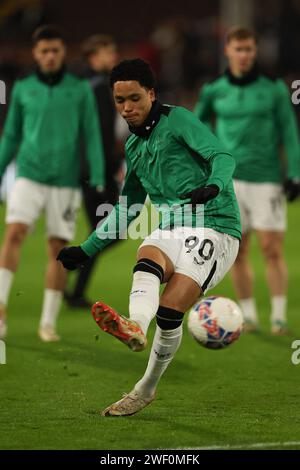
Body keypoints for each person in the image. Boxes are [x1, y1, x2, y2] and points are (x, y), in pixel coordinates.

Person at [57, 58, 241, 416]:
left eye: (135, 99)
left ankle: (146, 388)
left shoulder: (178, 120)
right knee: (148, 250)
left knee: (171, 311)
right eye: (119, 101)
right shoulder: (133, 148)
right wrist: (87, 248)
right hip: (173, 226)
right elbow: (127, 209)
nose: (127, 108)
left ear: (152, 94)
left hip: (215, 225)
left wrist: (214, 185)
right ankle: (135, 326)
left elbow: (222, 155)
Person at [0, 25, 105, 342]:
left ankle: (47, 322)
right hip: (29, 177)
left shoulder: (79, 88)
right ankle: (1, 309)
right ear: (35, 53)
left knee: (57, 250)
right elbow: (11, 134)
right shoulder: (23, 87)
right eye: (44, 51)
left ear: (63, 52)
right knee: (14, 233)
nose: (50, 56)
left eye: (55, 50)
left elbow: (92, 133)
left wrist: (98, 174)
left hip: (65, 181)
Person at [194, 27, 300, 335]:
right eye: (238, 49)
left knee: (271, 248)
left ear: (255, 52)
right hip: (229, 181)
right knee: (237, 249)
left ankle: (279, 315)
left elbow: (289, 133)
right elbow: (196, 127)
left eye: (249, 49)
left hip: (266, 178)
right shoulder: (213, 89)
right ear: (227, 51)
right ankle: (249, 315)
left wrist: (295, 172)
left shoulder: (274, 89)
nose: (244, 55)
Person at [65, 34, 123, 308]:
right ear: (92, 57)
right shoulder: (99, 87)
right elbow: (98, 134)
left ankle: (75, 291)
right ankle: (73, 267)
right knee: (112, 231)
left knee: (102, 232)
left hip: (87, 170)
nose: (112, 57)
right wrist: (111, 167)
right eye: (106, 52)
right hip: (97, 172)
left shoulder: (82, 85)